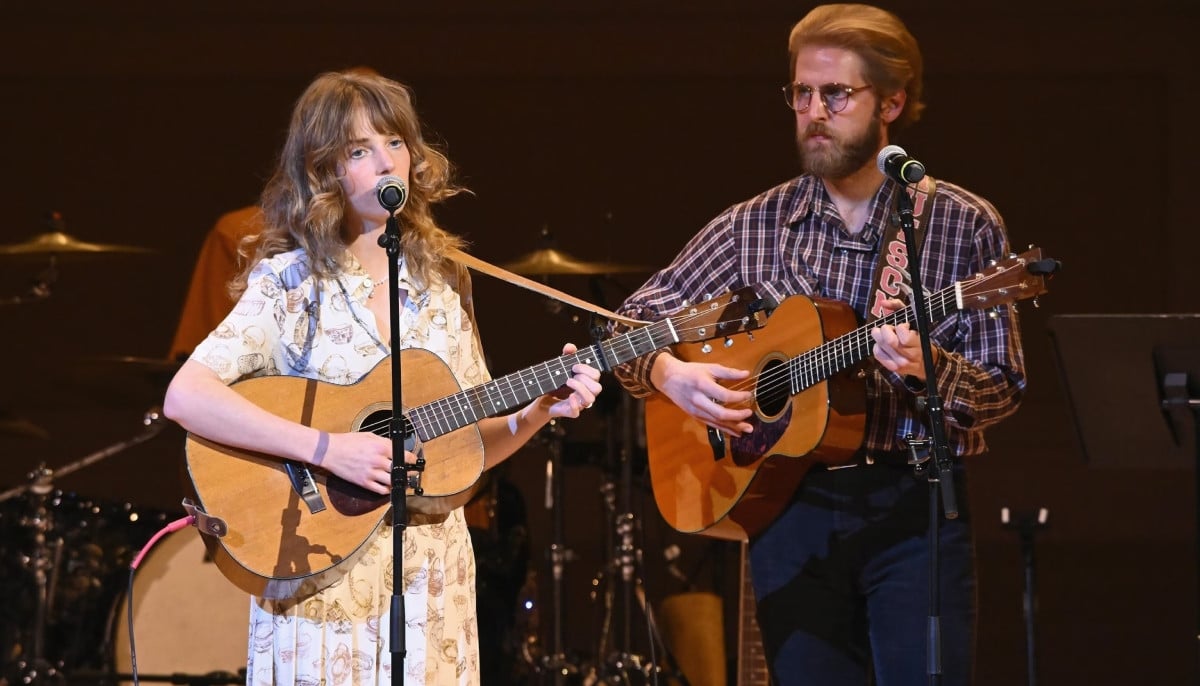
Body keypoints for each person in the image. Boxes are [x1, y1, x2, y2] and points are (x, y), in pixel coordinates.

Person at [612, 5, 1025, 685]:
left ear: (891, 102)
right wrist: (669, 376)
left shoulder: (958, 223)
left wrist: (933, 370)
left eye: (836, 94)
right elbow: (628, 325)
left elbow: (1000, 386)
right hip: (788, 507)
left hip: (913, 506)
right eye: (802, 93)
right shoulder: (756, 225)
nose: (814, 111)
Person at [162, 68, 604, 686]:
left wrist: (537, 413)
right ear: (325, 171)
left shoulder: (442, 287)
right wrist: (327, 448)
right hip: (318, 575)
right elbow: (186, 395)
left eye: (395, 142)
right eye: (359, 150)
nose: (385, 161)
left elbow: (467, 449)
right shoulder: (290, 285)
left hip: (430, 580)